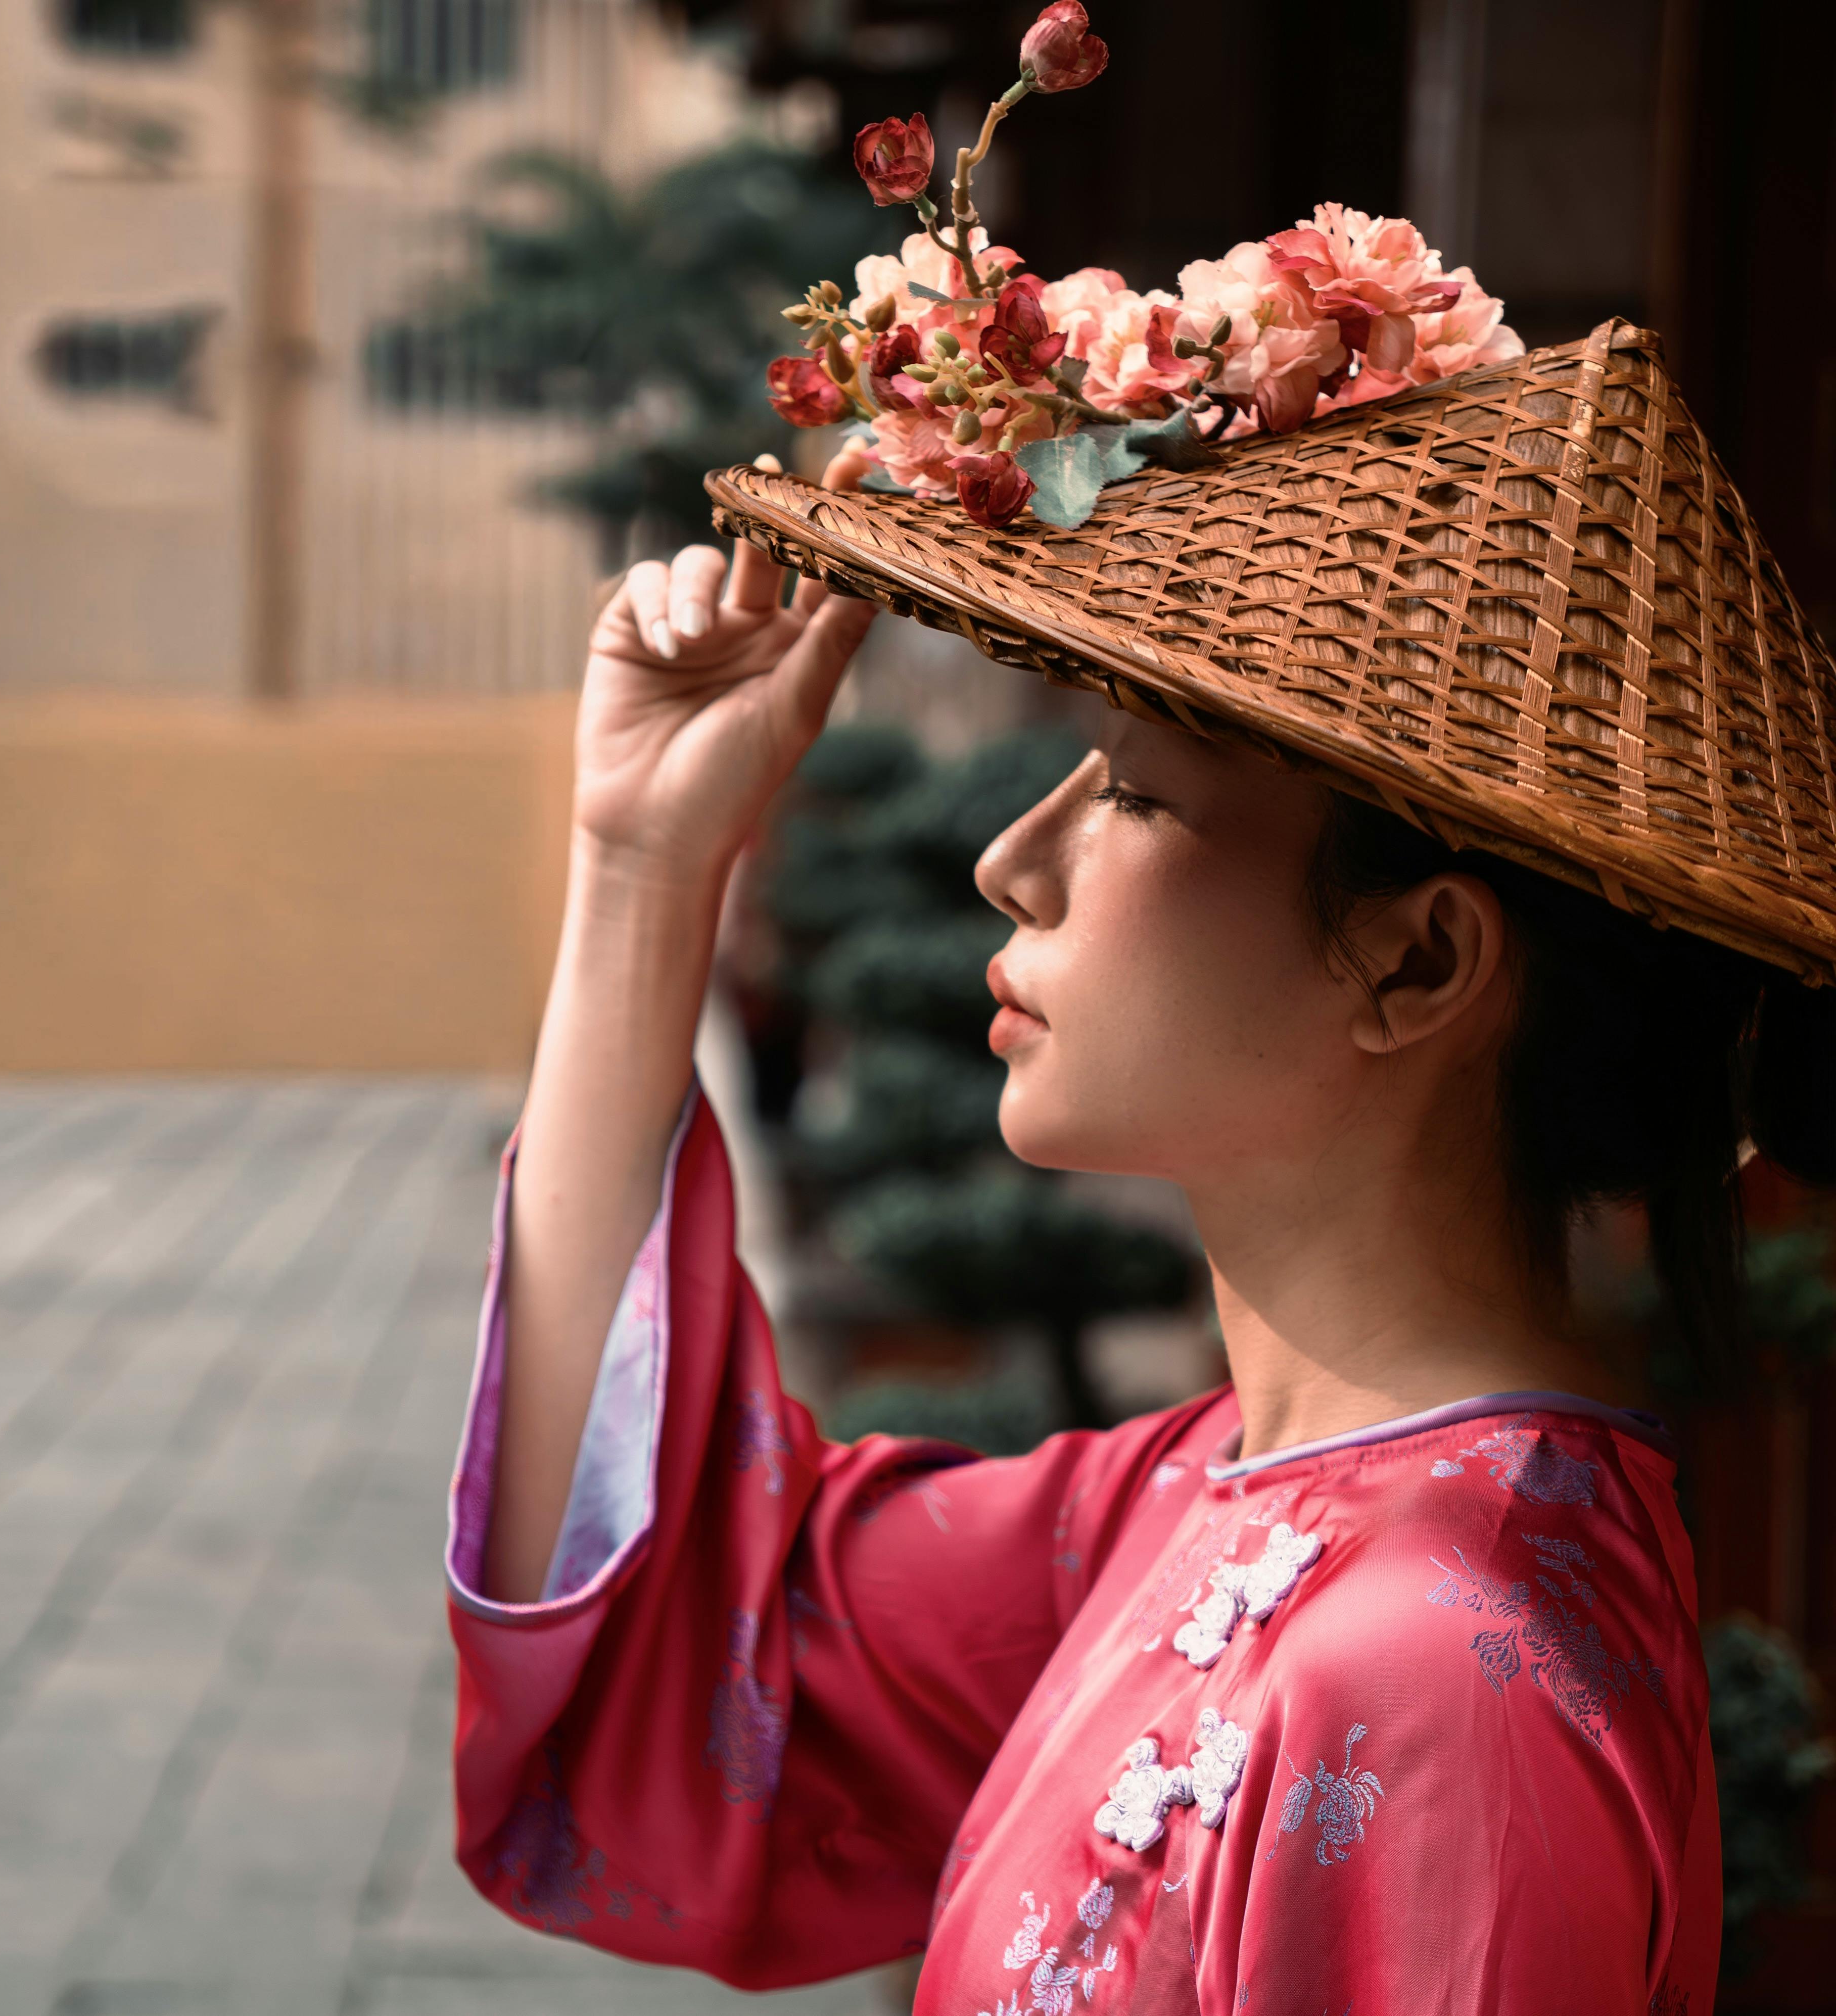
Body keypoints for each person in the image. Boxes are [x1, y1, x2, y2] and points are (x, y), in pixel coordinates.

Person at [443, 323, 1836, 2013]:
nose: (1013, 859)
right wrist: (646, 865)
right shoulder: (1211, 1504)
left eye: (1140, 798)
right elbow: (673, 1660)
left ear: (1415, 964)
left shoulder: (1435, 1679)